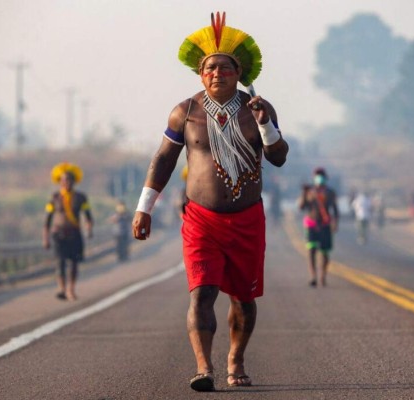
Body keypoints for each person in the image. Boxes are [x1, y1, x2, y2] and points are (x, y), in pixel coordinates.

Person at [132, 12, 288, 392]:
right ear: (199, 74)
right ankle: (205, 368)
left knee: (243, 299)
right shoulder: (185, 112)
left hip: (247, 219)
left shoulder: (257, 110)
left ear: (239, 73)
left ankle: (236, 357)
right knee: (202, 292)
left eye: (225, 67)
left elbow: (279, 157)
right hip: (201, 219)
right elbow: (164, 160)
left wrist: (267, 124)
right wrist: (144, 207)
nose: (217, 73)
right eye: (210, 67)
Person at [43, 162, 93, 301]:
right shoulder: (54, 198)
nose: (67, 182)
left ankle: (71, 289)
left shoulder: (81, 198)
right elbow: (47, 220)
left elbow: (88, 216)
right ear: (60, 181)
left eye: (69, 180)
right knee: (60, 262)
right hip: (58, 235)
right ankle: (62, 288)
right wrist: (46, 238)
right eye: (64, 180)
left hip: (74, 234)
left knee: (74, 263)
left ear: (74, 181)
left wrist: (89, 229)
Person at [298, 167, 339, 287]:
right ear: (314, 178)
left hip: (325, 225)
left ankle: (323, 276)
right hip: (311, 224)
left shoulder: (330, 193)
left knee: (325, 253)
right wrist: (304, 193)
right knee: (311, 251)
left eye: (321, 176)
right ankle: (313, 276)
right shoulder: (309, 192)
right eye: (317, 176)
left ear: (325, 178)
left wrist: (335, 223)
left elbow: (335, 210)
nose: (319, 178)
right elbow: (301, 207)